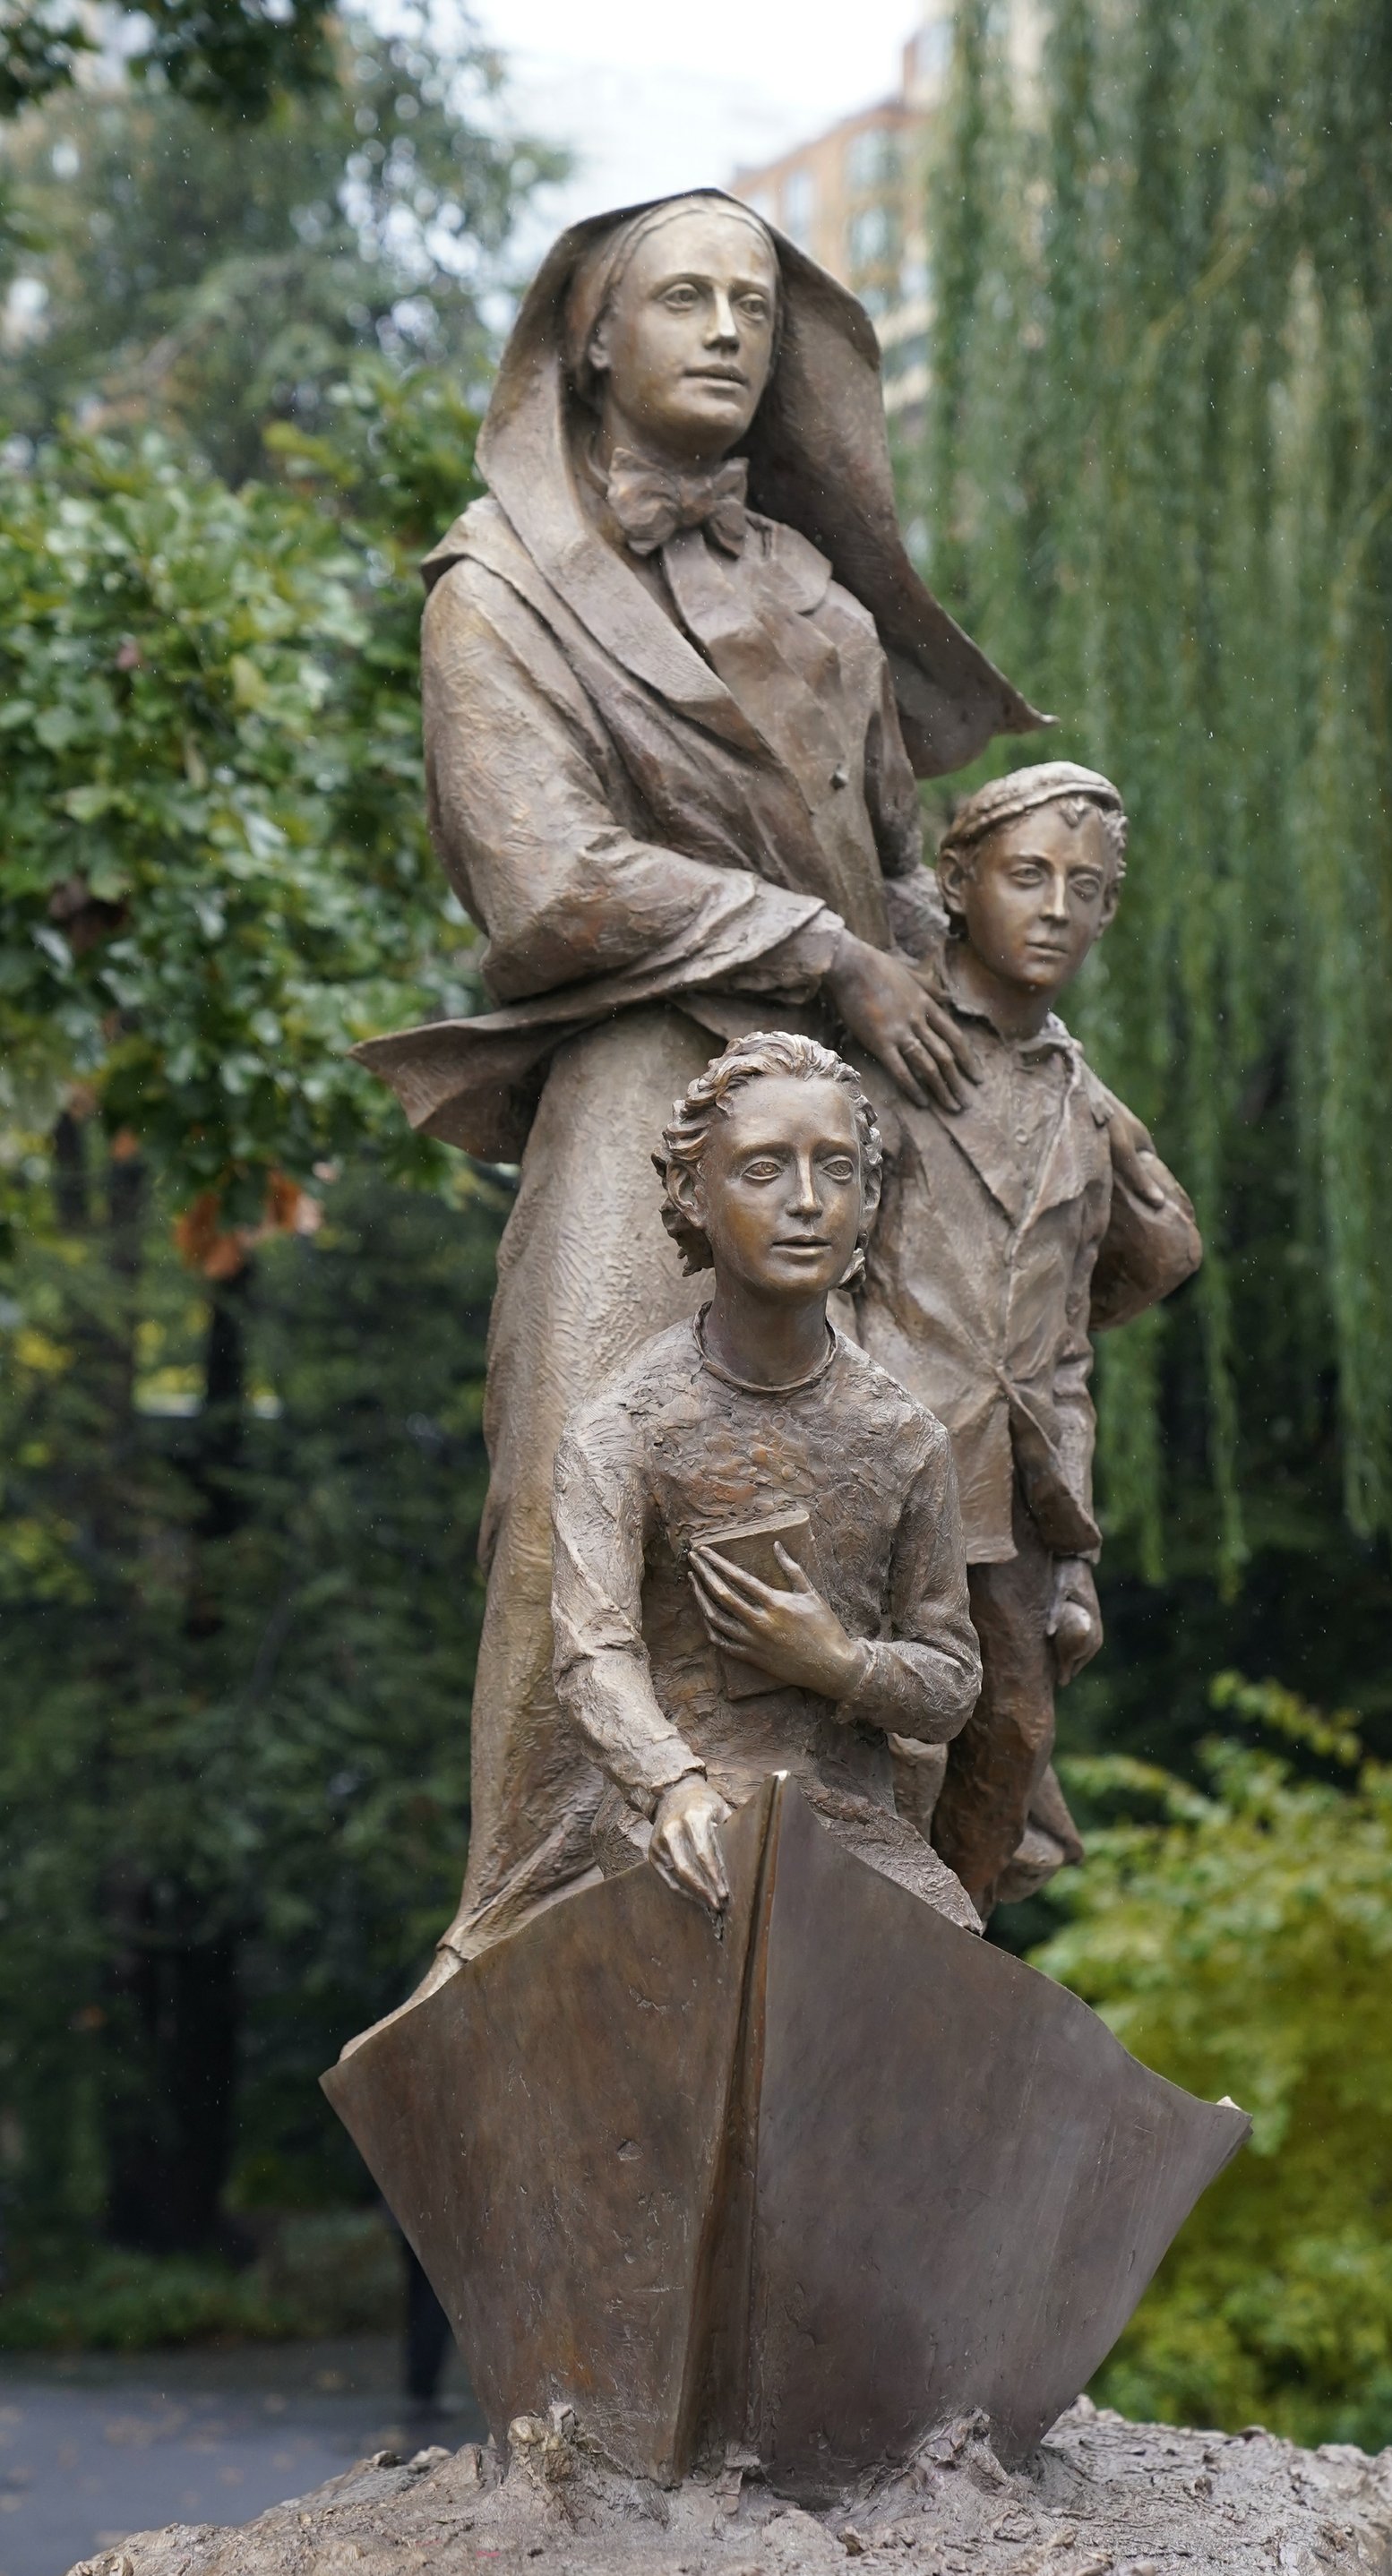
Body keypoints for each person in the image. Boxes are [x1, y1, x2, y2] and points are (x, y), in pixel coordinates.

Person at [349, 193, 1042, 1972]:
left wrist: (988, 1030)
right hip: (647, 1084)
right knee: (577, 1480)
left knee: (940, 1492)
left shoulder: (820, 602)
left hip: (865, 1114)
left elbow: (890, 871)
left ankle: (880, 1906)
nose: (729, 328)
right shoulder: (497, 592)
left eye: (754, 300)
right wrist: (817, 952)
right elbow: (547, 878)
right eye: (683, 298)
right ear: (591, 337)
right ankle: (525, 1936)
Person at [852, 765, 1203, 1921]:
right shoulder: (882, 1051)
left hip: (1016, 1497)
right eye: (1029, 876)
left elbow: (1063, 1351)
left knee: (1010, 1737)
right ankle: (852, 1975)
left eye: (1086, 888)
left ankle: (931, 1982)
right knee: (886, 1750)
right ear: (957, 884)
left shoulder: (1080, 1100)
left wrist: (1078, 1554)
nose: (1056, 906)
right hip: (885, 1465)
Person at [549, 1033, 983, 1933]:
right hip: (675, 1823)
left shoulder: (903, 1440)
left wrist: (837, 1663)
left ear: (867, 1203)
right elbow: (593, 1654)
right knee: (726, 1927)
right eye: (761, 1170)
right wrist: (670, 1783)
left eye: (836, 1170)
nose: (806, 1203)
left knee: (941, 1984)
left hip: (852, 1833)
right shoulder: (622, 1430)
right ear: (691, 1195)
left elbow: (949, 1683)